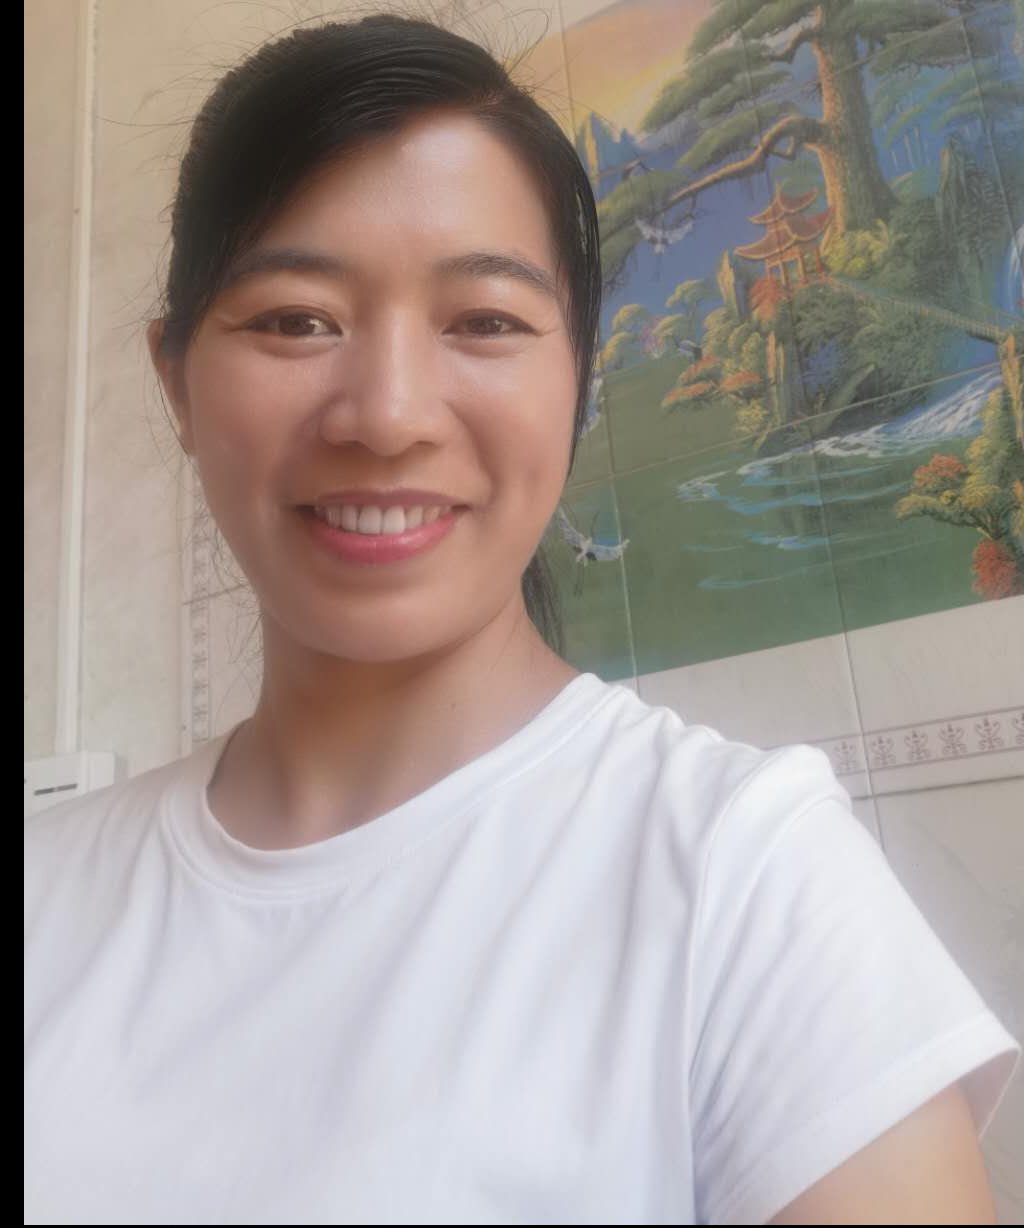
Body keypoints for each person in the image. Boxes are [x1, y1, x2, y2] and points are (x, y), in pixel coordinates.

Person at [24, 15, 1018, 1225]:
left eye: (484, 321)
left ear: (578, 379)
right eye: (295, 318)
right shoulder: (48, 891)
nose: (388, 413)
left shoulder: (742, 875)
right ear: (175, 379)